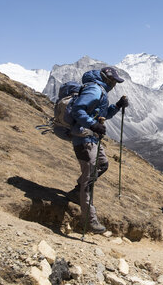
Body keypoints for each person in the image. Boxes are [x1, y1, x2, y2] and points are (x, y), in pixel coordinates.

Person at [65, 67, 129, 233]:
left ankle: (76, 192)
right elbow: (78, 109)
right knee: (88, 179)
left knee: (103, 164)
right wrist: (92, 124)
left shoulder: (99, 90)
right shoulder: (94, 89)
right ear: (107, 79)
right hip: (84, 139)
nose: (115, 84)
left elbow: (102, 114)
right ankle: (89, 219)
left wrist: (117, 106)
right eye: (114, 81)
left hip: (92, 138)